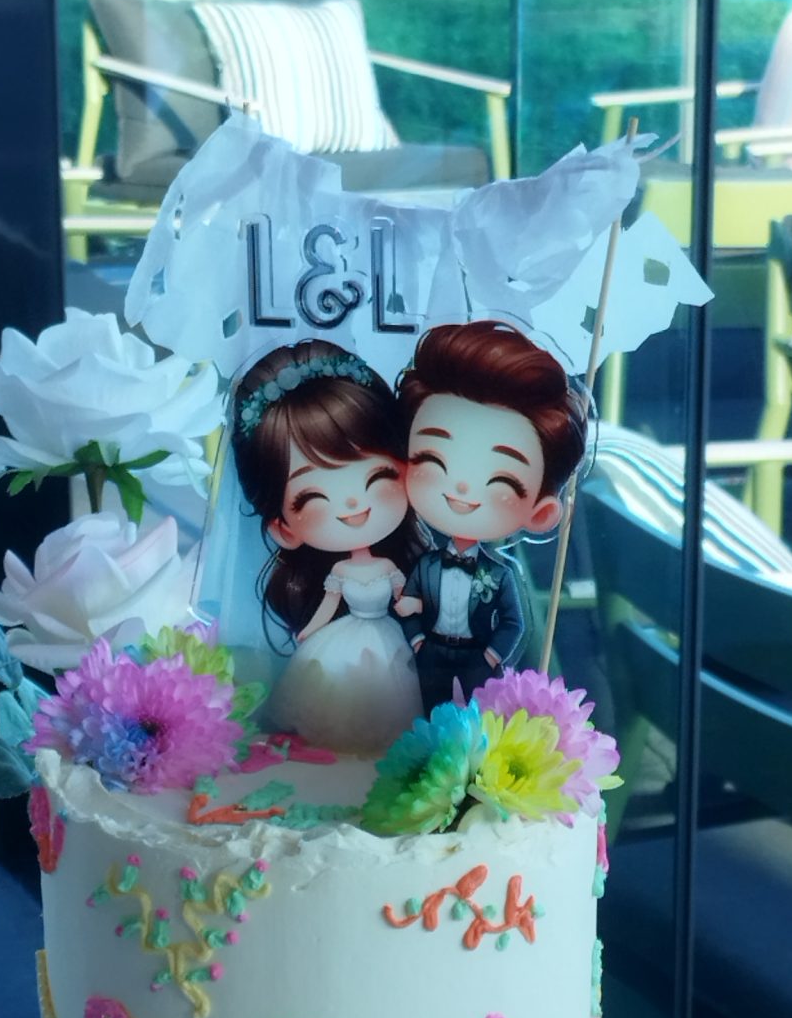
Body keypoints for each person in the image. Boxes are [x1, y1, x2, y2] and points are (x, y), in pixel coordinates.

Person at [229, 338, 425, 754]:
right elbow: (327, 604)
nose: (354, 504)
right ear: (284, 528)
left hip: (390, 639)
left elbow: (403, 596)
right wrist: (310, 633)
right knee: (337, 705)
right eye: (314, 497)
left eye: (378, 477)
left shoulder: (403, 568)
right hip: (346, 638)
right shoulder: (337, 574)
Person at [397, 320, 589, 712]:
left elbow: (514, 623)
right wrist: (416, 640)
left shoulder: (499, 575)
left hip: (477, 663)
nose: (461, 486)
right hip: (428, 658)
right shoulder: (425, 566)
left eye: (499, 478)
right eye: (433, 459)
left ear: (541, 513)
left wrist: (490, 657)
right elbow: (409, 604)